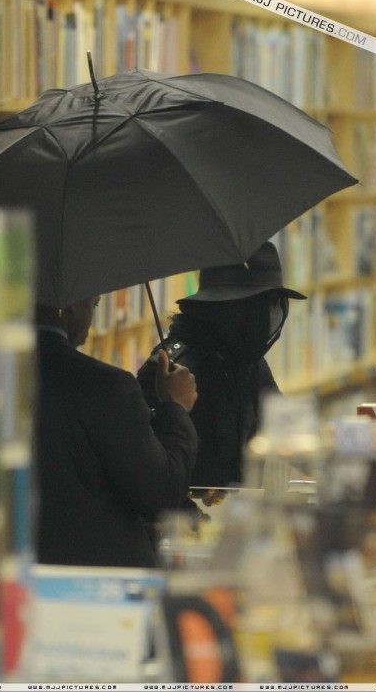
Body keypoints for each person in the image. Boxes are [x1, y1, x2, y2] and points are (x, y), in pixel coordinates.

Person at [33, 296, 198, 568]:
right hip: (100, 584)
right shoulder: (106, 387)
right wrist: (176, 408)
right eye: (94, 304)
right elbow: (160, 494)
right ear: (71, 305)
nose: (92, 319)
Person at [137, 242, 306, 489]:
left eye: (274, 304)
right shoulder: (169, 370)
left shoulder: (247, 362)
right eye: (263, 305)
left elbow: (288, 433)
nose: (270, 316)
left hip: (240, 517)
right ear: (231, 307)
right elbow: (152, 475)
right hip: (186, 520)